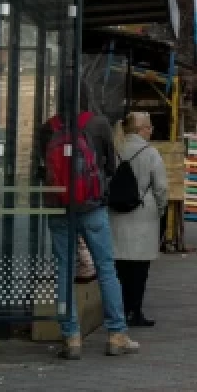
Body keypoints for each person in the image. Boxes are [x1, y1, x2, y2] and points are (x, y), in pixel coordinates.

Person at [35, 86, 140, 359]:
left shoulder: (47, 128)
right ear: (86, 99)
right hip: (92, 208)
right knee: (106, 268)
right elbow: (111, 167)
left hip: (58, 208)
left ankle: (71, 338)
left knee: (64, 271)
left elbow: (40, 169)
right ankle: (117, 335)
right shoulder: (98, 124)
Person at [109, 112, 169, 328]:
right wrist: (160, 210)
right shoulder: (150, 153)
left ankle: (118, 311)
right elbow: (161, 188)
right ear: (141, 130)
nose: (151, 131)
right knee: (139, 270)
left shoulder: (115, 148)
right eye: (149, 127)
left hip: (116, 214)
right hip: (143, 216)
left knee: (118, 269)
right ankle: (134, 312)